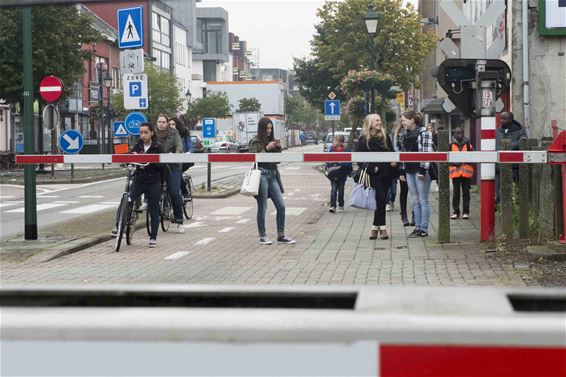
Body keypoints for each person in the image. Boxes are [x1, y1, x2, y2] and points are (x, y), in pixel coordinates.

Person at [249, 117, 295, 245]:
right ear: (262, 129)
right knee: (262, 206)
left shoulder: (271, 140)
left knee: (281, 206)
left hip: (273, 175)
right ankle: (262, 236)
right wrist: (266, 149)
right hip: (261, 175)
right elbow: (253, 158)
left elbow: (277, 160)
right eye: (267, 128)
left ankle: (281, 235)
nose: (269, 131)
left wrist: (278, 148)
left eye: (271, 128)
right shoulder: (255, 141)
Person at [356, 114, 398, 240]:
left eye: (380, 120)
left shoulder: (385, 136)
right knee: (381, 198)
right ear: (370, 123)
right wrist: (370, 168)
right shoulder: (364, 138)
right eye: (377, 120)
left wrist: (394, 162)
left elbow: (392, 152)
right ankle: (383, 228)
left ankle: (374, 228)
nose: (379, 122)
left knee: (381, 200)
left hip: (387, 172)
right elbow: (358, 158)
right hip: (374, 174)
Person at [128, 122, 164, 247]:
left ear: (151, 133)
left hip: (153, 181)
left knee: (154, 209)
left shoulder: (158, 147)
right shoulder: (137, 146)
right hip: (139, 180)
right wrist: (131, 158)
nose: (143, 135)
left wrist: (152, 161)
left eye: (145, 132)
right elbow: (130, 158)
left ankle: (153, 237)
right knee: (128, 200)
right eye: (141, 132)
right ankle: (121, 224)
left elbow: (162, 166)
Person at [402, 110, 433, 238]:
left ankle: (424, 229)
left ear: (412, 120)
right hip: (409, 170)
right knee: (415, 200)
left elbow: (427, 152)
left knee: (423, 199)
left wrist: (423, 170)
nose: (402, 123)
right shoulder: (406, 134)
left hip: (420, 170)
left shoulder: (424, 133)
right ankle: (418, 227)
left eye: (404, 120)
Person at [155, 114, 185, 233]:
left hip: (173, 166)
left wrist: (176, 154)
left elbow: (179, 146)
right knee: (154, 189)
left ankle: (179, 221)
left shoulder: (174, 133)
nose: (161, 124)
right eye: (159, 122)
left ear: (167, 123)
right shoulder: (153, 133)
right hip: (158, 166)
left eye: (163, 122)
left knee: (174, 192)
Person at [495, 111, 527, 203]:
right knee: (499, 190)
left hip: (513, 167)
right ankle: (499, 204)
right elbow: (495, 146)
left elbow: (522, 142)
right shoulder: (497, 131)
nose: (501, 120)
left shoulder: (520, 131)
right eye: (501, 118)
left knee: (512, 192)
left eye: (504, 118)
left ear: (510, 119)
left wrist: (508, 146)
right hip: (499, 166)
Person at [449, 127, 474, 220]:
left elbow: (473, 157)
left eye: (462, 133)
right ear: (454, 134)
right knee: (456, 193)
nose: (460, 135)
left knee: (466, 193)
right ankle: (456, 212)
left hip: (466, 173)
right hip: (455, 173)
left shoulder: (468, 145)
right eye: (458, 133)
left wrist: (465, 161)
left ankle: (466, 212)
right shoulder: (451, 145)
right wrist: (454, 163)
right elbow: (447, 159)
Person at [392, 121, 414, 226]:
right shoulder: (400, 136)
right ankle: (404, 214)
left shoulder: (416, 134)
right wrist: (399, 172)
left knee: (415, 193)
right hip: (404, 168)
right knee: (404, 191)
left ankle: (415, 215)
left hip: (415, 168)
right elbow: (397, 153)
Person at [325, 134, 352, 213]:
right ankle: (332, 206)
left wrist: (341, 163)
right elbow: (327, 160)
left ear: (340, 143)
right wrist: (330, 164)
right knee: (333, 190)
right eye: (334, 140)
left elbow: (349, 162)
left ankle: (341, 204)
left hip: (342, 174)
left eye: (335, 141)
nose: (333, 142)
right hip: (333, 173)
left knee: (341, 190)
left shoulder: (346, 150)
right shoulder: (332, 149)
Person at [171, 117, 194, 200]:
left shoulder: (184, 134)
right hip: (170, 162)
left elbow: (190, 147)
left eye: (173, 124)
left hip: (183, 161)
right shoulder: (167, 135)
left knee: (177, 172)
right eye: (169, 124)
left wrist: (187, 153)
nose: (171, 126)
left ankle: (185, 193)